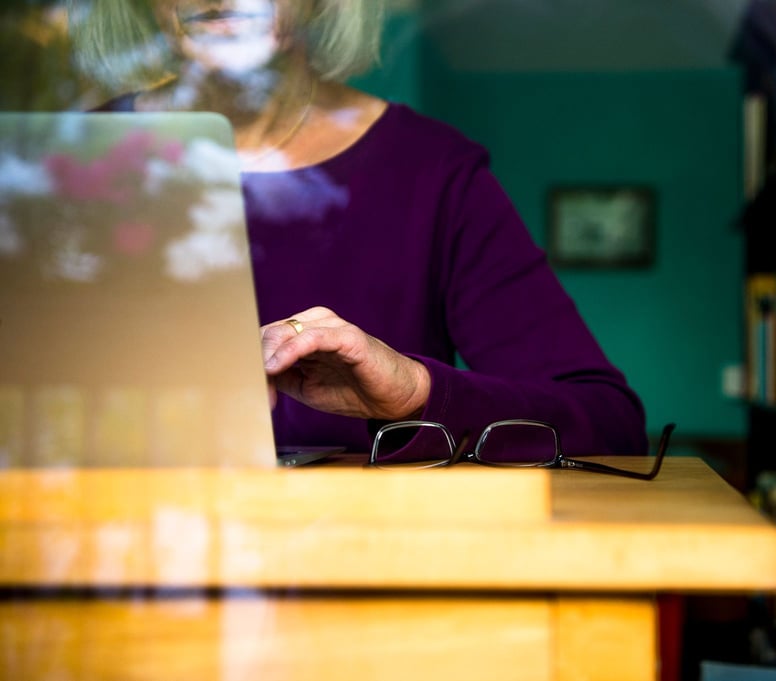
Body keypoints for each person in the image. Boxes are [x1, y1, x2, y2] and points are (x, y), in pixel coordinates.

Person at [68, 0, 648, 456]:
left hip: (358, 563)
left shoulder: (432, 169)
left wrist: (415, 391)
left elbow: (609, 423)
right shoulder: (66, 163)